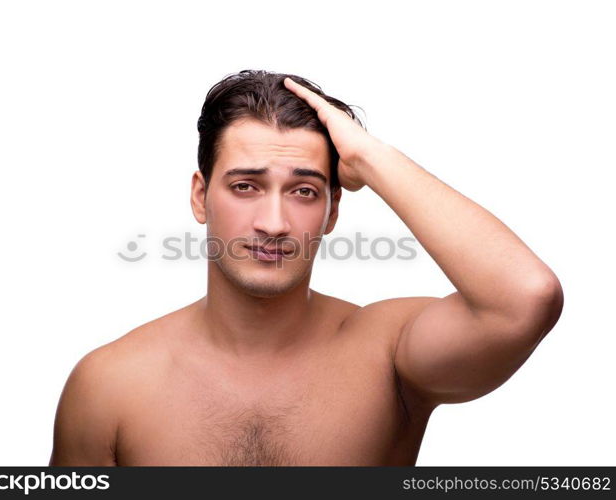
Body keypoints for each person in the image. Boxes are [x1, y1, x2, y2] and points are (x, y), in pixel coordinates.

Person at [48, 70, 563, 466]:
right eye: (246, 186)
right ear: (201, 196)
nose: (273, 223)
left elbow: (525, 298)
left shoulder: (386, 355)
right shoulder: (109, 384)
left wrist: (368, 158)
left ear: (333, 211)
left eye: (304, 192)